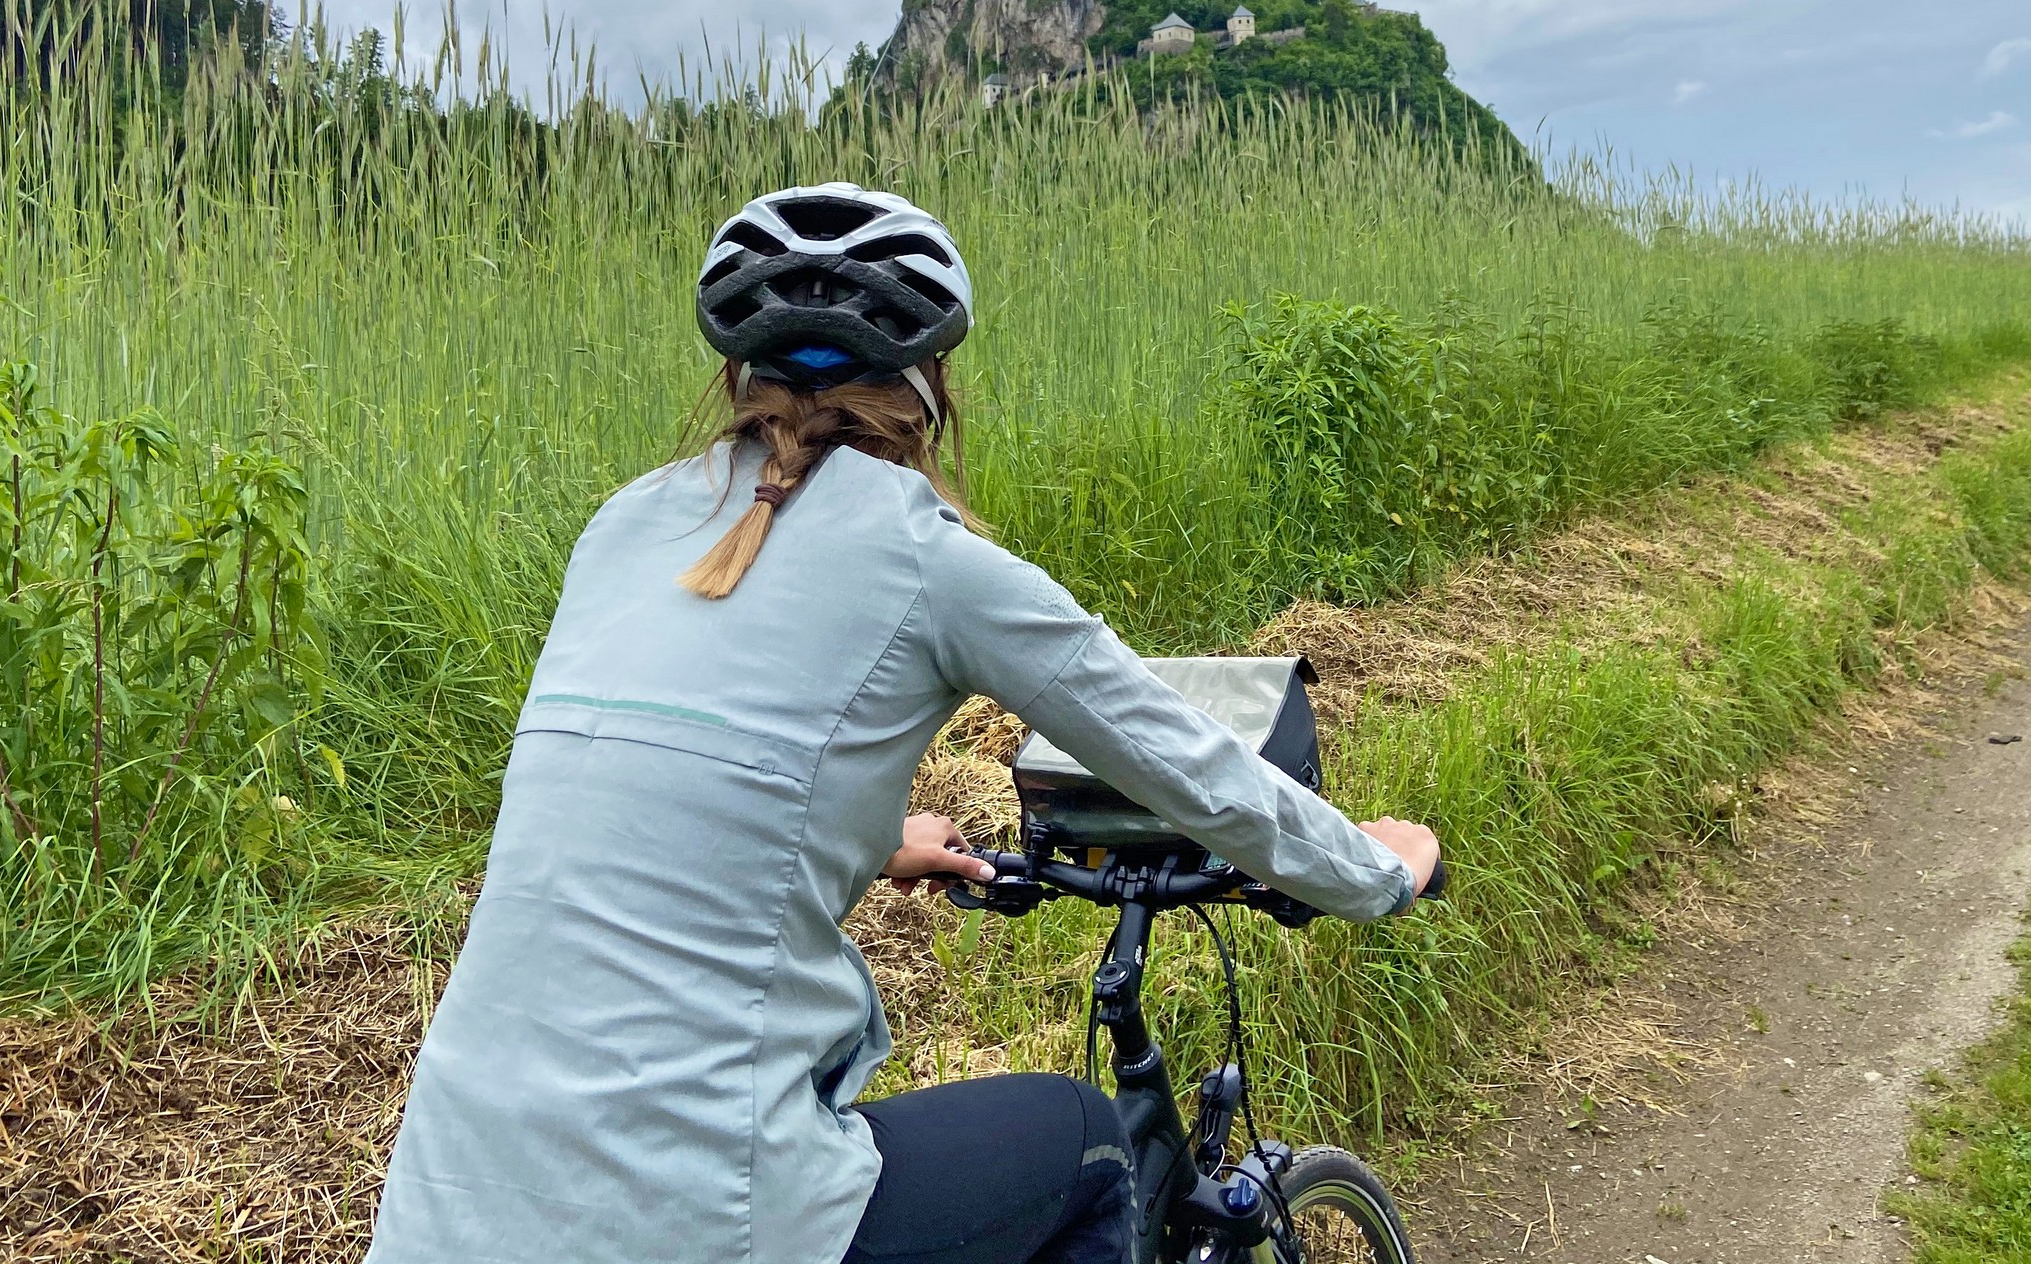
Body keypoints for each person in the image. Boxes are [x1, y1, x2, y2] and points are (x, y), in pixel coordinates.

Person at [366, 182, 1441, 1264]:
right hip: (690, 1211)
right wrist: (1373, 869)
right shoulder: (928, 557)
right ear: (929, 387)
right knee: (1085, 1140)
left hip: (447, 1198)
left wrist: (876, 837)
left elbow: (652, 773)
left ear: (737, 376)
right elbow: (1190, 761)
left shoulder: (625, 525)